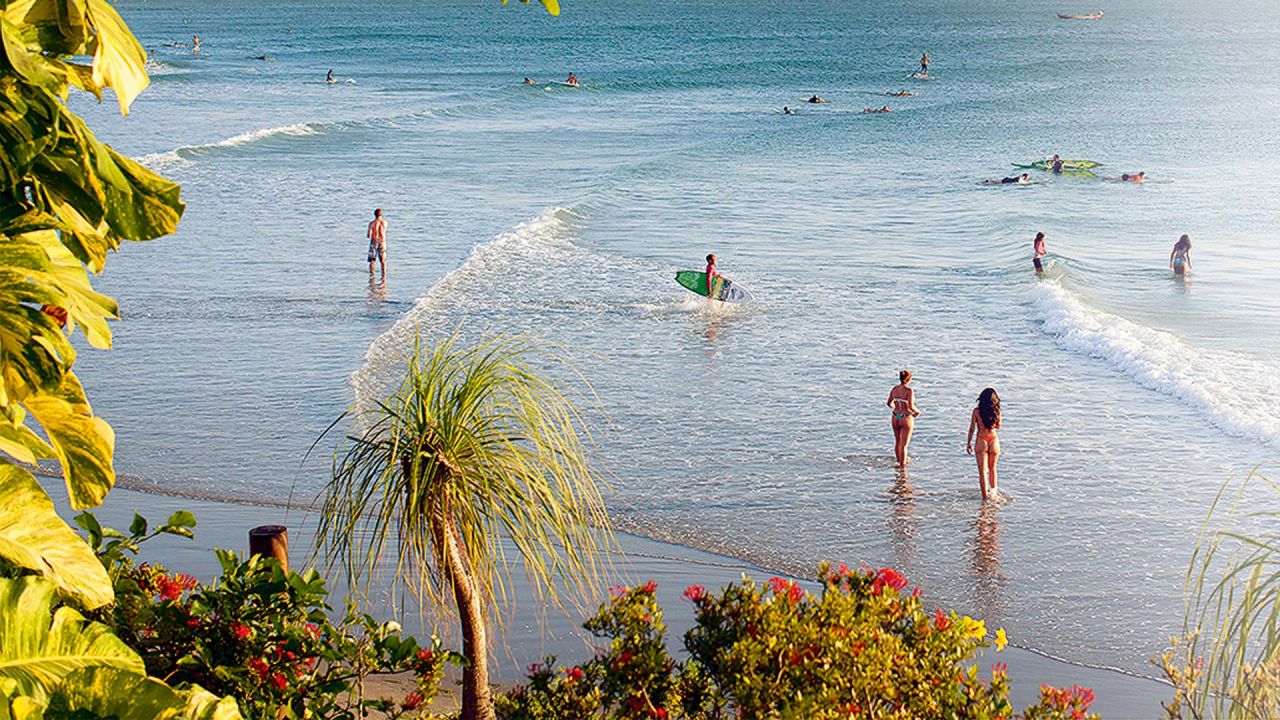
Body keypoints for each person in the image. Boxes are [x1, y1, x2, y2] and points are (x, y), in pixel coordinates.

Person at [966, 388, 1002, 501]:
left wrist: (968, 443)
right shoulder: (997, 410)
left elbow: (971, 428)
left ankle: (985, 498)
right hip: (993, 439)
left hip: (981, 439)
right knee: (993, 469)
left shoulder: (976, 411)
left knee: (982, 472)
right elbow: (998, 426)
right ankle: (994, 494)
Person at [887, 370, 922, 468]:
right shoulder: (909, 390)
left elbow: (889, 403)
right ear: (909, 379)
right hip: (905, 417)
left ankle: (898, 461)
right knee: (904, 445)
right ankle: (902, 467)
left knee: (897, 441)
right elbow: (911, 406)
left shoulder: (895, 389)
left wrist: (895, 407)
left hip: (896, 416)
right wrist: (917, 412)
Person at [367, 208, 387, 277]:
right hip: (382, 241)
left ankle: (371, 275)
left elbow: (368, 235)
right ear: (381, 215)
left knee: (372, 260)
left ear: (374, 214)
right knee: (383, 261)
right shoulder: (384, 223)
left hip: (374, 241)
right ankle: (384, 275)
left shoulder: (371, 223)